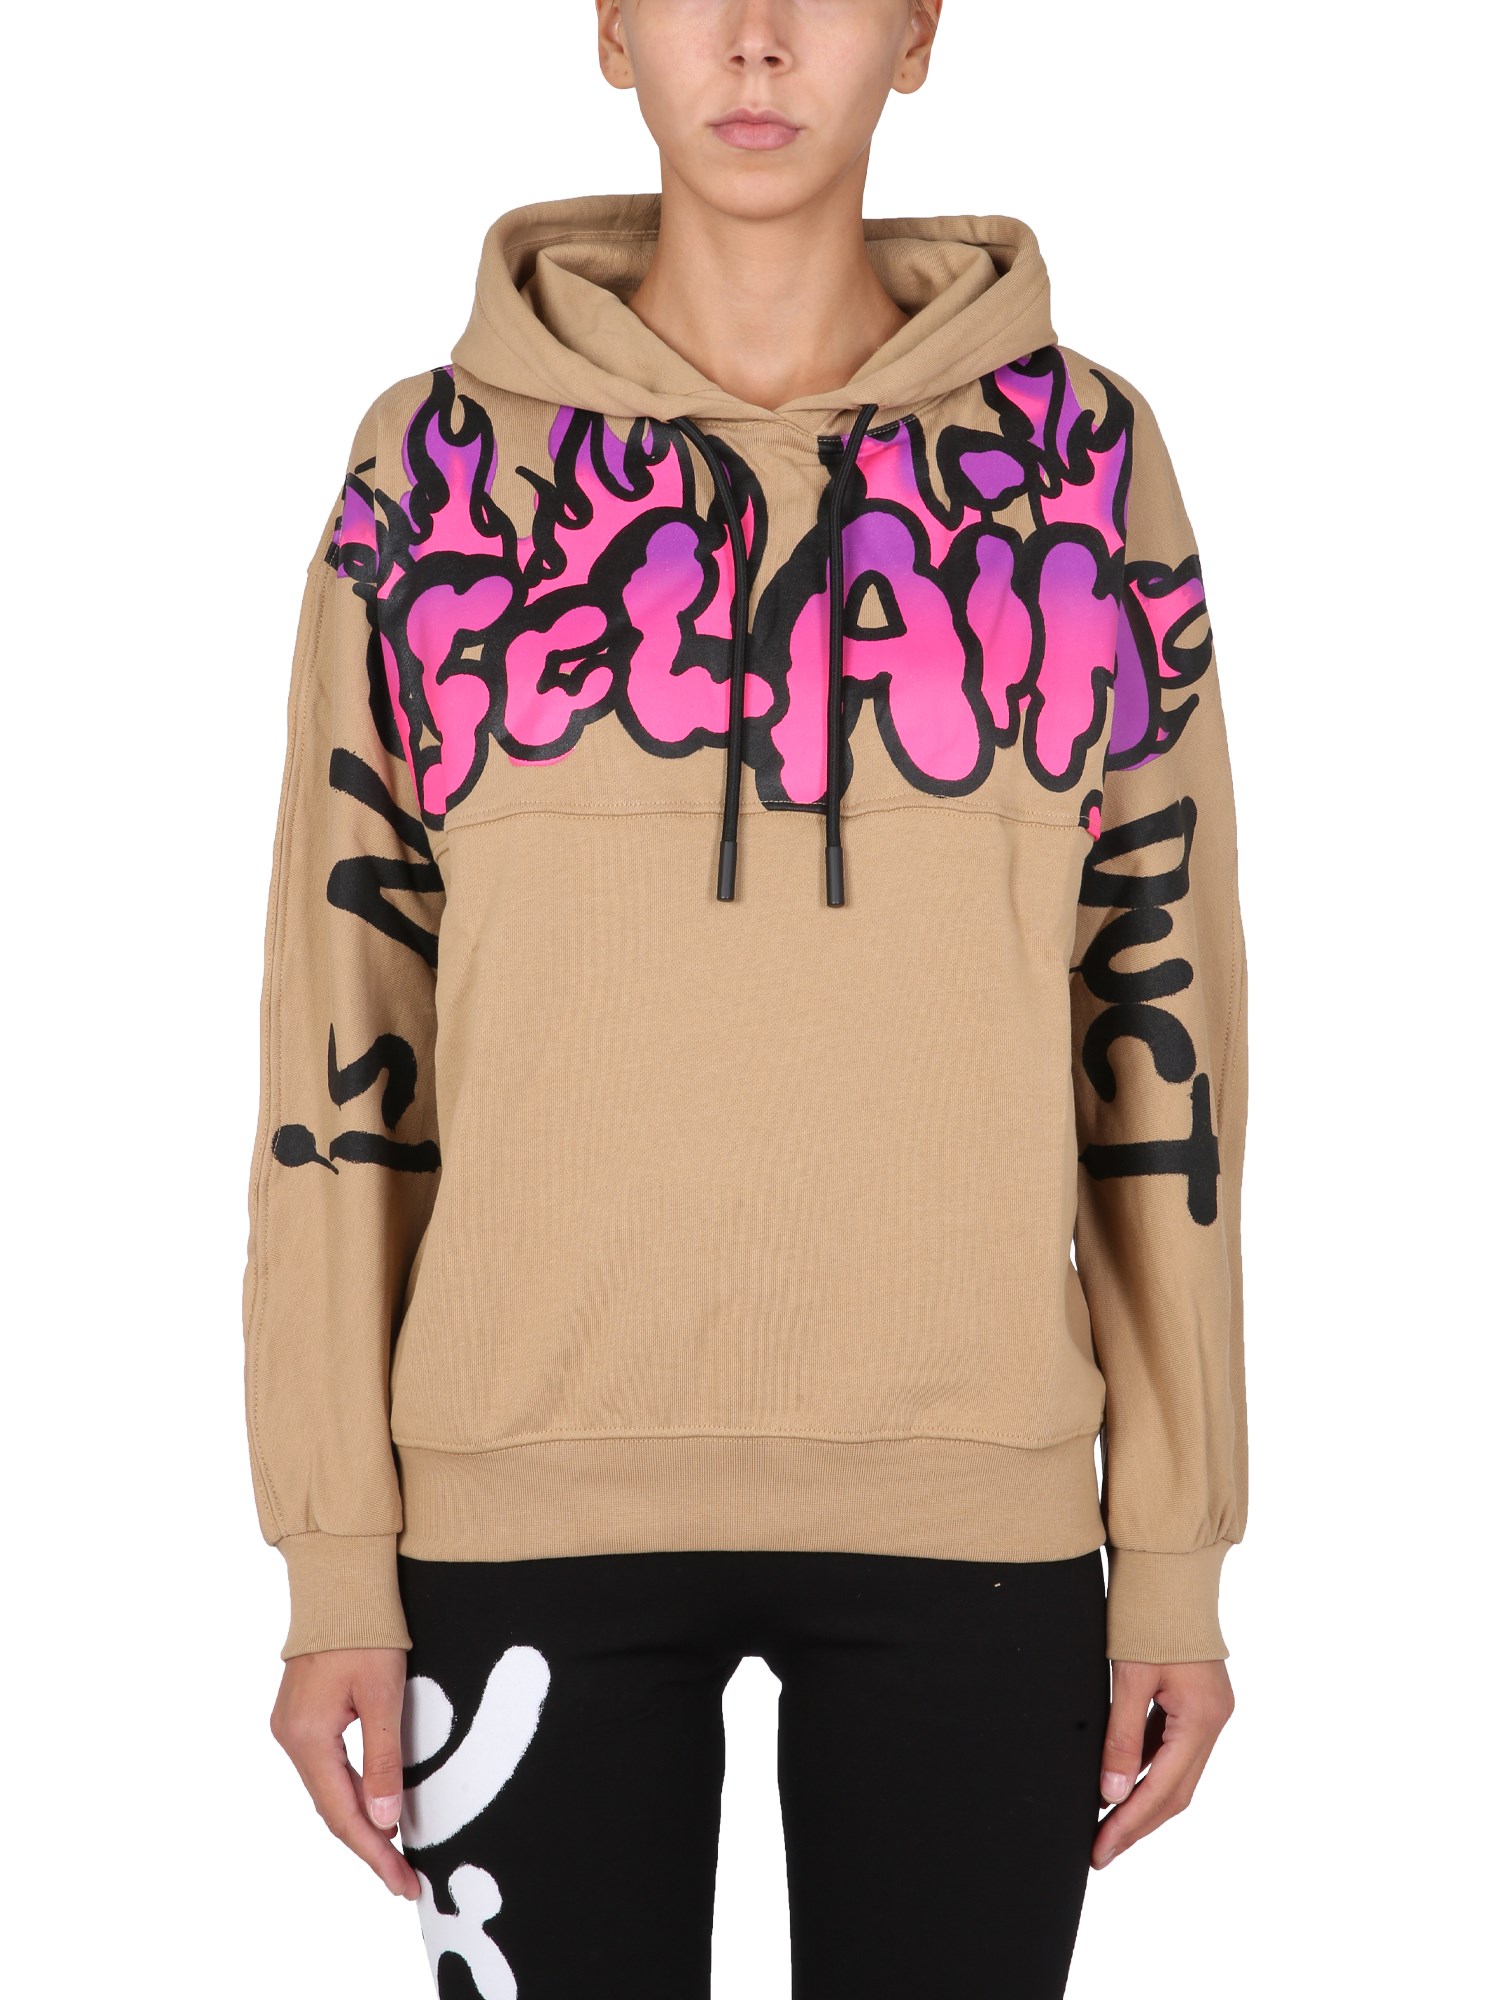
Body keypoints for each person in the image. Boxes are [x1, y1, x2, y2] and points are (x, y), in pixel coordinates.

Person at [241, 3, 1248, 1993]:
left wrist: (1176, 1555)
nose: (763, 38)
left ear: (920, 30)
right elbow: (343, 1031)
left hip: (977, 1500)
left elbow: (1163, 1016)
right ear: (614, 29)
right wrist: (333, 1551)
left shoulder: (1080, 464)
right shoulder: (431, 471)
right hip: (520, 1495)